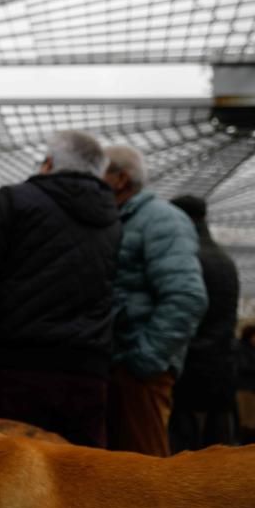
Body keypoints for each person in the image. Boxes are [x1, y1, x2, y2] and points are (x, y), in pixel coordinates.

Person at [0, 130, 121, 447]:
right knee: (78, 477)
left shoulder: (15, 199)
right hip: (88, 371)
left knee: (6, 473)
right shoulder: (112, 218)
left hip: (15, 366)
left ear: (48, 163)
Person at [102, 145, 207, 457]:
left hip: (139, 371)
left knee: (143, 472)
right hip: (122, 366)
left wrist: (144, 360)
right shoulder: (124, 218)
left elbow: (187, 296)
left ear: (120, 179)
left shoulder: (161, 219)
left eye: (98, 174)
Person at [168, 195, 240, 452]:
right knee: (218, 446)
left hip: (190, 366)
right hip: (222, 366)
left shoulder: (187, 257)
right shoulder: (224, 259)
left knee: (183, 447)